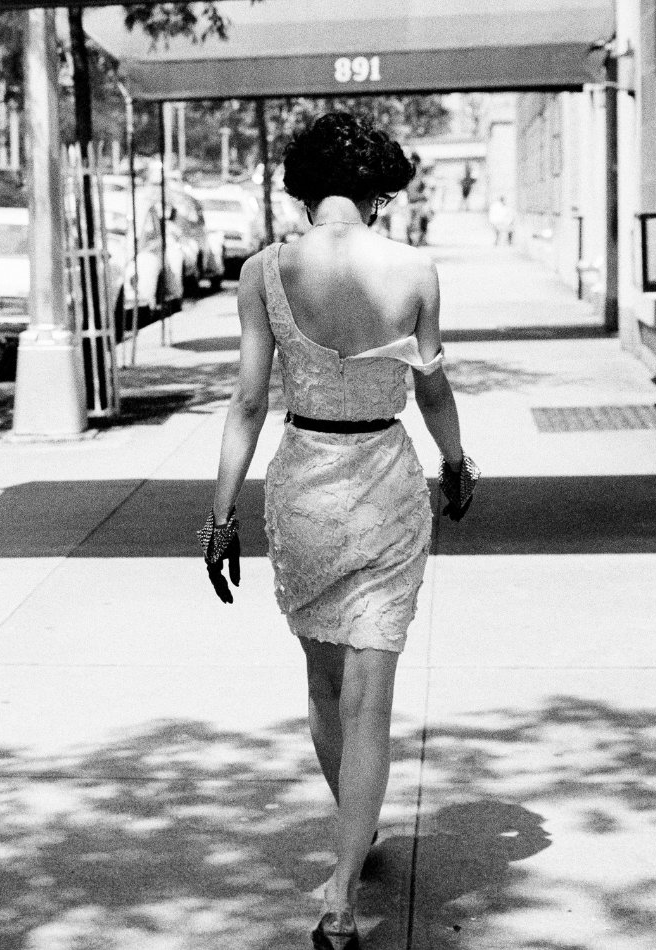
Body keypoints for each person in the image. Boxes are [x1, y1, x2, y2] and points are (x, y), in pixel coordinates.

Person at [197, 113, 477, 950]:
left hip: (306, 482)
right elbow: (431, 392)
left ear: (301, 183)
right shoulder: (416, 269)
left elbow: (248, 401)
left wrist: (220, 515)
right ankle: (343, 892)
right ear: (378, 188)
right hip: (387, 482)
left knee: (324, 688)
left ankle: (353, 841)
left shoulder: (263, 273)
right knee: (372, 699)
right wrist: (456, 461)